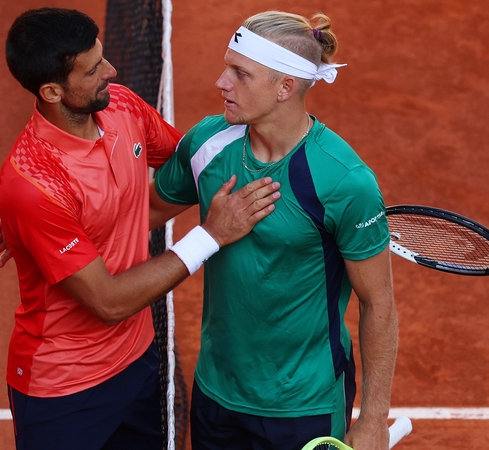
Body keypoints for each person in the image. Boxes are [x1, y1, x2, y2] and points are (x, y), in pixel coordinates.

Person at [0, 7, 281, 450]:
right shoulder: (34, 186)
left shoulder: (121, 105)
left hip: (139, 363)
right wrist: (211, 236)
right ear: (51, 90)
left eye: (101, 57)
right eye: (92, 70)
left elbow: (196, 167)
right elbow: (107, 302)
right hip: (64, 391)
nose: (111, 71)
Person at [148, 10, 399, 450]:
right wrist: (45, 224)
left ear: (285, 88)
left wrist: (374, 419)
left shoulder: (344, 182)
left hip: (305, 405)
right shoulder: (209, 142)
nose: (221, 82)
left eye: (240, 73)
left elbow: (378, 303)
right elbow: (142, 213)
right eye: (227, 67)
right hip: (216, 393)